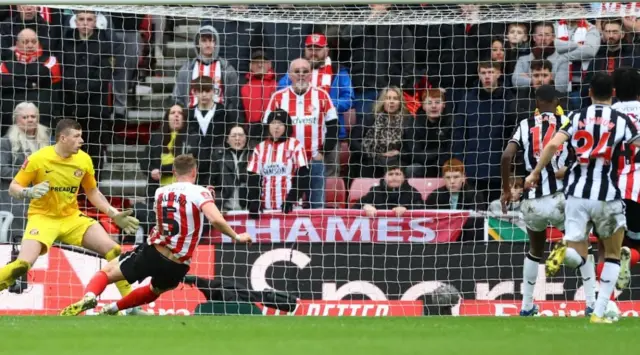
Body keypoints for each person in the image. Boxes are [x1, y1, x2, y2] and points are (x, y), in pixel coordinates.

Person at [59, 154, 252, 316]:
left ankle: (90, 297)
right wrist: (236, 236)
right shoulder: (200, 192)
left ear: (174, 173)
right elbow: (215, 219)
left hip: (154, 251)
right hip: (179, 263)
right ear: (195, 172)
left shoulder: (160, 192)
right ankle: (113, 309)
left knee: (107, 272)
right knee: (155, 290)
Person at [525, 72, 640, 323]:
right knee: (612, 253)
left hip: (576, 192)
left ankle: (564, 252)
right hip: (607, 194)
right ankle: (598, 313)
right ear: (612, 93)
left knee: (578, 249)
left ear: (588, 92)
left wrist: (535, 173)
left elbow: (553, 145)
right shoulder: (621, 120)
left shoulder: (576, 117)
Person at [0, 119, 139, 301]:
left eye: (81, 136)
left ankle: (131, 305)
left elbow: (92, 191)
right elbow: (14, 187)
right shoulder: (38, 158)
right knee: (23, 264)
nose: (81, 140)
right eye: (77, 136)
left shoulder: (84, 159)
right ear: (63, 138)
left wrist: (113, 213)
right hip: (43, 219)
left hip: (72, 218)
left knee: (113, 250)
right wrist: (29, 191)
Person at [500, 85, 579, 317]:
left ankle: (526, 307)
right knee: (583, 245)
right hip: (560, 198)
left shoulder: (525, 125)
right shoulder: (568, 121)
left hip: (532, 200)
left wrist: (506, 190)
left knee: (535, 250)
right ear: (557, 101)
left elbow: (506, 157)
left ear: (536, 102)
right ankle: (593, 302)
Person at [263, 58, 338, 209]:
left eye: (305, 71)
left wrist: (323, 152)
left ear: (311, 74)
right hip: (287, 163)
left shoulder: (322, 96)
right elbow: (266, 127)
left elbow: (333, 126)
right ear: (290, 75)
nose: (301, 75)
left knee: (317, 205)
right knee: (287, 206)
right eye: (297, 72)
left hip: (314, 160)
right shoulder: (278, 97)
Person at [604, 67, 640, 291]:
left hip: (613, 190)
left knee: (608, 251)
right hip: (638, 189)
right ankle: (632, 255)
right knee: (635, 245)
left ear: (614, 90)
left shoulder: (608, 114)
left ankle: (600, 302)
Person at [0, 102, 50, 241]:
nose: (30, 119)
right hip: (14, 200)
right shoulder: (5, 142)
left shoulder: (48, 141)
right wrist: (29, 174)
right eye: (25, 117)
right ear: (16, 119)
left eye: (33, 116)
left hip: (43, 197)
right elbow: (2, 170)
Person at [248, 109, 309, 216]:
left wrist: (291, 199)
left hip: (290, 208)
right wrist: (255, 200)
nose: (276, 127)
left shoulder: (295, 145)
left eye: (280, 124)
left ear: (287, 127)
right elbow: (253, 177)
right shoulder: (260, 148)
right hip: (265, 208)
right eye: (273, 123)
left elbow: (303, 175)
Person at [352, 166, 424, 217]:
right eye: (390, 174)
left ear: (404, 178)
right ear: (384, 177)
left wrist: (407, 210)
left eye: (397, 174)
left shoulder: (412, 192)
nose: (394, 177)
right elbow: (354, 208)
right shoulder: (375, 191)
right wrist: (365, 207)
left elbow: (422, 209)